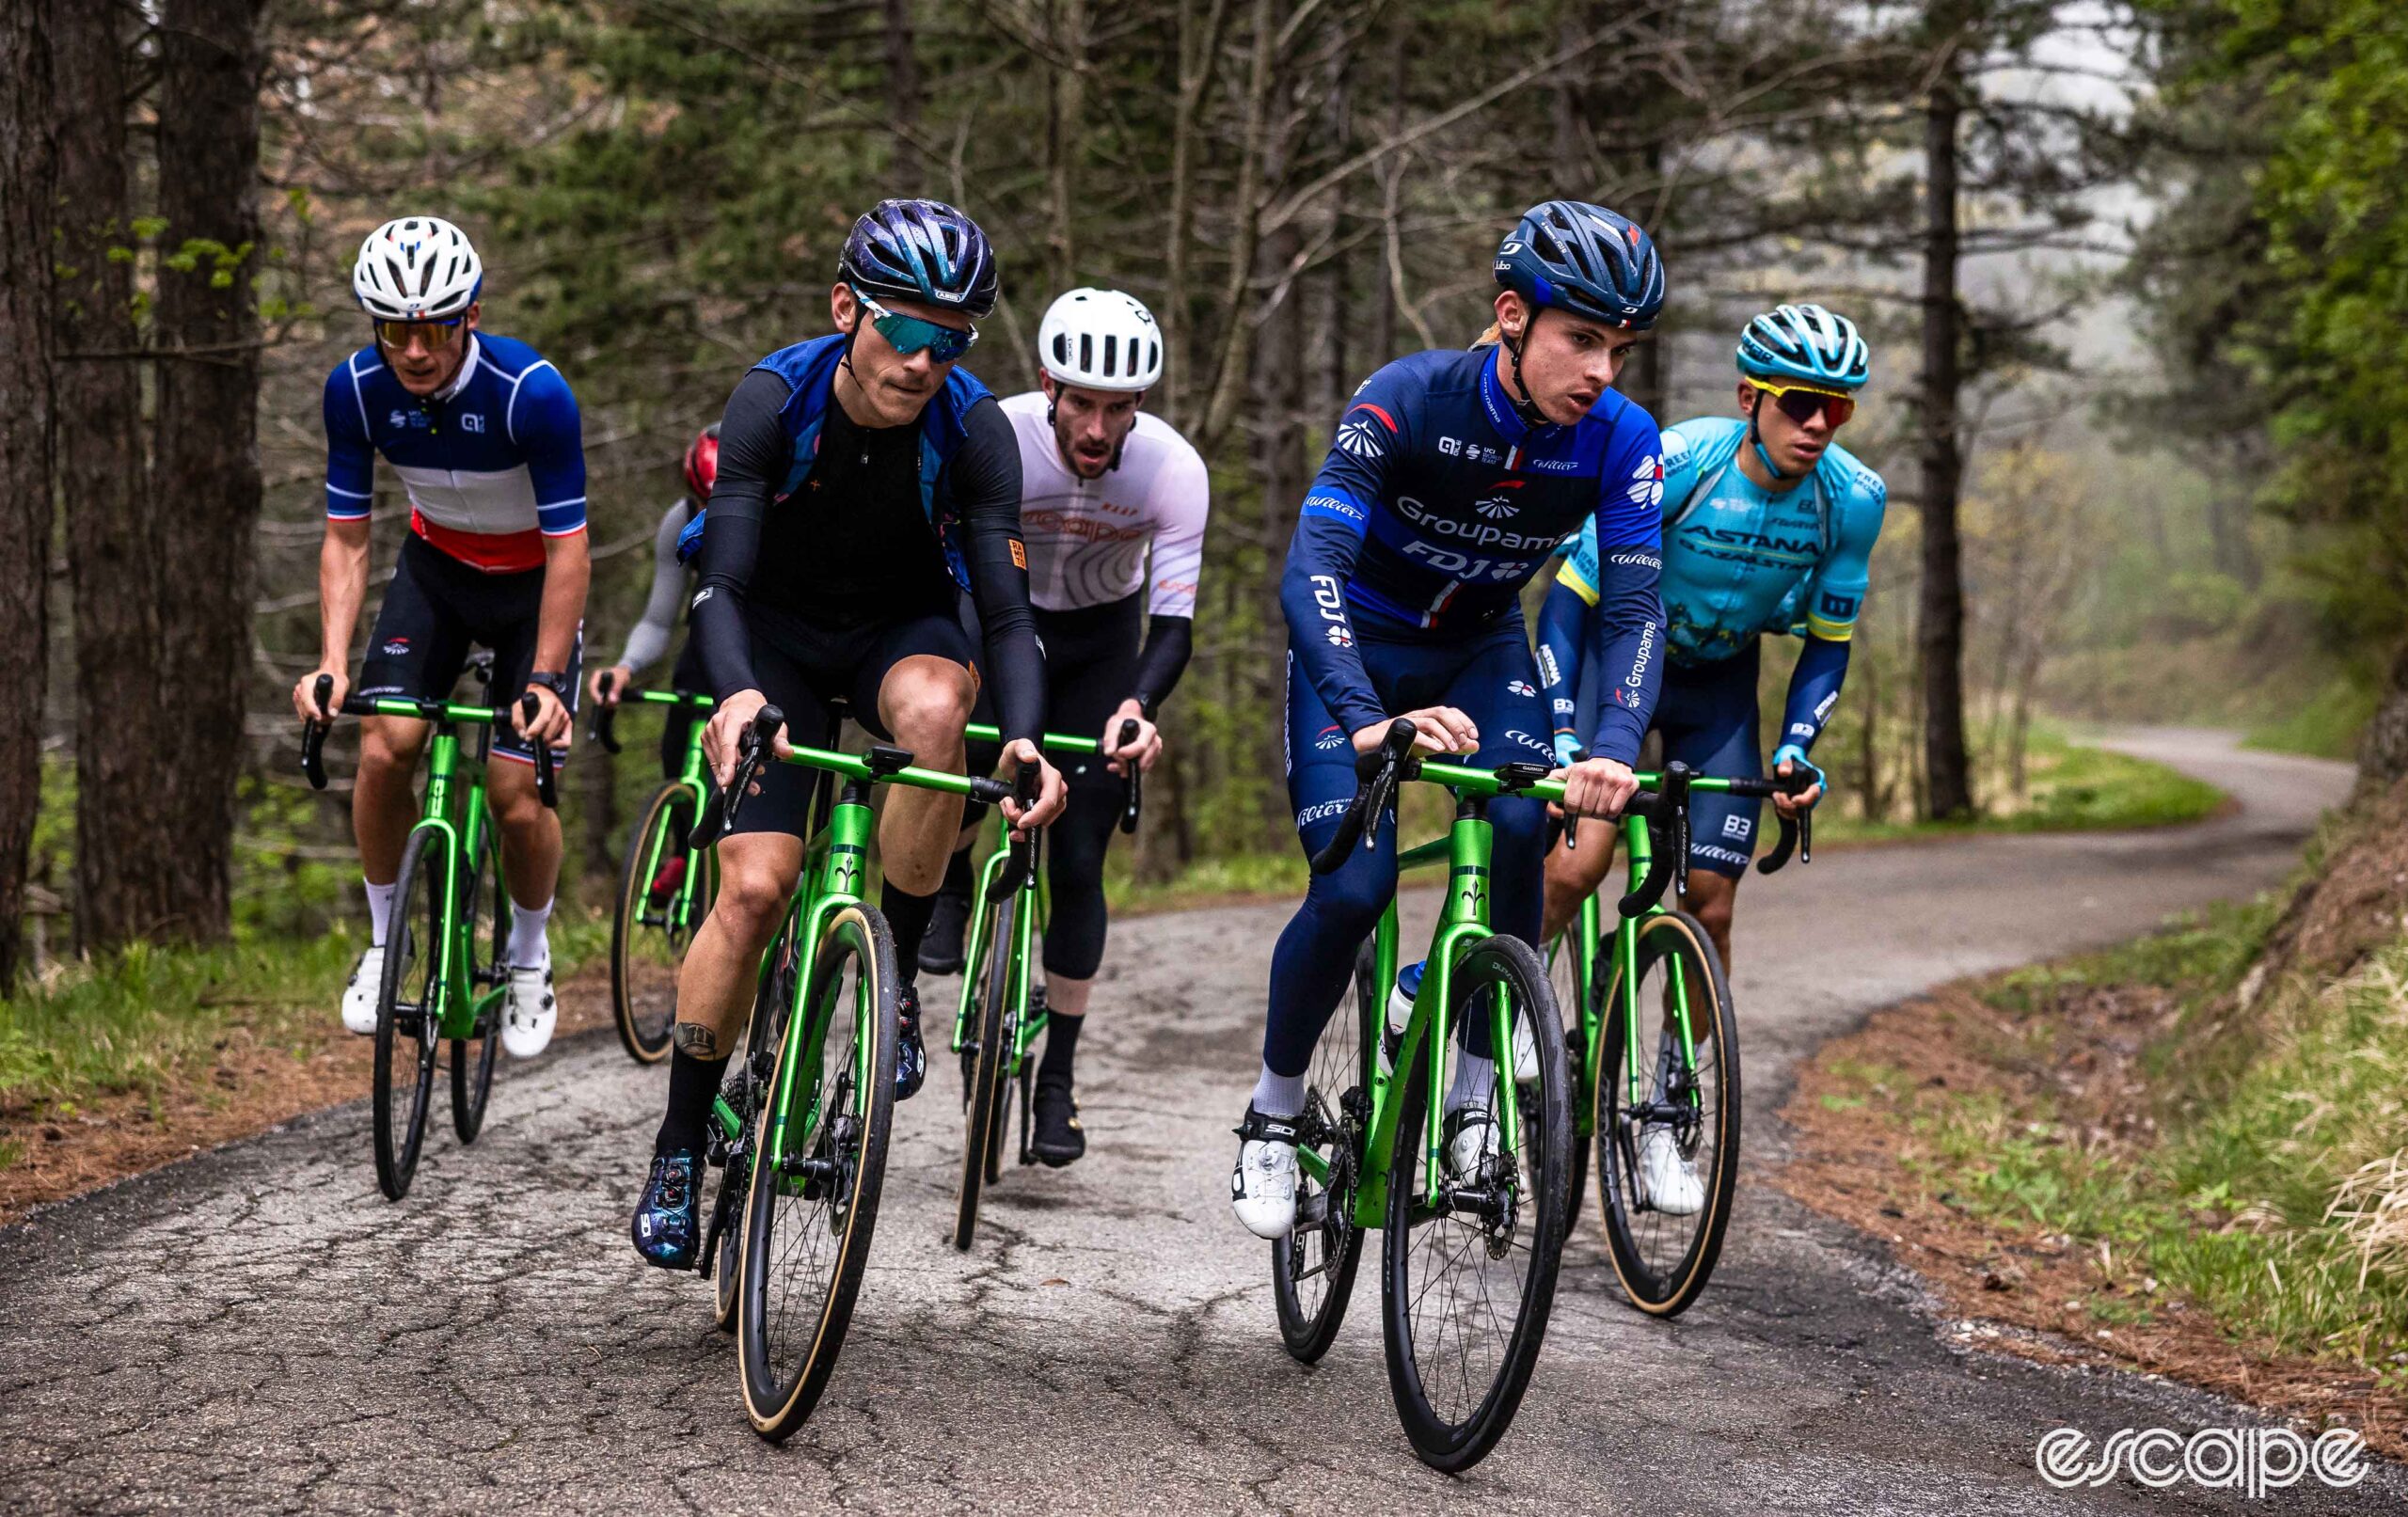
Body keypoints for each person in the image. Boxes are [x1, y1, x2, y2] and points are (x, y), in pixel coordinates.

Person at [630, 198, 1069, 1271]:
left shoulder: (972, 432)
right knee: (753, 888)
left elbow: (1007, 616)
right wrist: (734, 696)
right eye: (905, 329)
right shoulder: (772, 401)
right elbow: (719, 583)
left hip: (896, 634)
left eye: (953, 338)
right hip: (769, 635)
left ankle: (904, 972)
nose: (925, 358)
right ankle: (682, 1139)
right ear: (845, 308)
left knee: (936, 715)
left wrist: (1023, 739)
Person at [1229, 200, 1671, 1240]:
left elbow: (1636, 607)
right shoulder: (1406, 397)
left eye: (1618, 347)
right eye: (1581, 339)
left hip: (1478, 648)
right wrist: (1362, 717)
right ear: (1511, 317)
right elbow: (1312, 566)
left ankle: (1472, 1101)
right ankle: (1271, 1115)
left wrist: (1608, 752)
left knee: (1523, 826)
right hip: (1357, 648)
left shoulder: (1619, 438)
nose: (1602, 369)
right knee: (1352, 888)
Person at [1534, 302, 1886, 1213]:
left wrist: (1797, 747)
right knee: (1579, 859)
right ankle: (1505, 1023)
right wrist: (1563, 732)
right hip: (1620, 664)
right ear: (1748, 397)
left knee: (1711, 901)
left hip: (1720, 685)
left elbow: (1827, 640)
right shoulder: (1679, 462)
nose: (1817, 425)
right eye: (1800, 402)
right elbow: (1575, 593)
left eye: (1837, 409)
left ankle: (1662, 1116)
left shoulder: (1852, 500)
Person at [918, 287, 1210, 1168]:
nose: (1096, 426)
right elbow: (940, 568)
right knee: (965, 750)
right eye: (1080, 402)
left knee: (1080, 856)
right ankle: (955, 880)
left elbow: (1174, 625)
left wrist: (1137, 707)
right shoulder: (994, 432)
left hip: (1099, 645)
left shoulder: (1171, 469)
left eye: (1117, 408)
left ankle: (1059, 1077)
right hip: (994, 615)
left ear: (1140, 407)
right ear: (1047, 384)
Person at [292, 215, 588, 1060]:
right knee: (387, 746)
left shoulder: (531, 391)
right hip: (438, 574)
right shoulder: (354, 391)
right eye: (394, 329)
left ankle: (529, 955)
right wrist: (332, 664)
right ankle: (388, 943)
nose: (415, 349)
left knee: (514, 793)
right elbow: (348, 536)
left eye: (435, 327)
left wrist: (545, 676)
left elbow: (571, 549)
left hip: (534, 585)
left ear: (472, 314)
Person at [587, 423, 720, 783]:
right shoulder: (681, 519)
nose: (710, 515)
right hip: (705, 652)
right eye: (702, 504)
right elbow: (658, 621)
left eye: (721, 504)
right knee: (677, 769)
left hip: (771, 653)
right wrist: (625, 668)